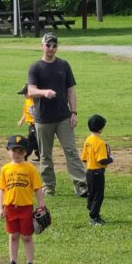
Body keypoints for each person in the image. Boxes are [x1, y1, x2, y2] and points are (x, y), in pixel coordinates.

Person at [27, 32, 88, 198]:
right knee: (45, 154)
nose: (51, 48)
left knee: (71, 151)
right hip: (43, 118)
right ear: (42, 46)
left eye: (54, 45)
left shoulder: (64, 65)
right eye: (48, 45)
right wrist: (44, 92)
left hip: (63, 116)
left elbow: (71, 90)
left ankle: (81, 186)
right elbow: (30, 90)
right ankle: (49, 187)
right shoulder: (35, 67)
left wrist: (73, 112)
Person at [0, 135, 45, 264]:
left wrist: (41, 205)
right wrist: (0, 208)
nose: (17, 154)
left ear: (26, 152)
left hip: (26, 208)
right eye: (14, 150)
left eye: (20, 151)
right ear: (8, 150)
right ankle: (13, 263)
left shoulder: (30, 168)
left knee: (27, 237)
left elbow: (37, 188)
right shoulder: (5, 169)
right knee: (13, 236)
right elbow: (2, 190)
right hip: (10, 208)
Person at [81, 114, 114, 226]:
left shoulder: (88, 140)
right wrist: (111, 159)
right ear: (101, 128)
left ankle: (92, 209)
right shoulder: (100, 143)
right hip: (97, 173)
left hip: (89, 172)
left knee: (91, 193)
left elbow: (84, 159)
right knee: (98, 195)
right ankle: (93, 216)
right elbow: (102, 161)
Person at [17, 84, 40, 162]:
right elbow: (26, 112)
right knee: (36, 141)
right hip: (31, 125)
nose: (24, 95)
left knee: (30, 140)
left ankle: (25, 156)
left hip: (38, 124)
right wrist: (21, 120)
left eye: (25, 93)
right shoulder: (27, 101)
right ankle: (40, 156)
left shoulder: (37, 100)